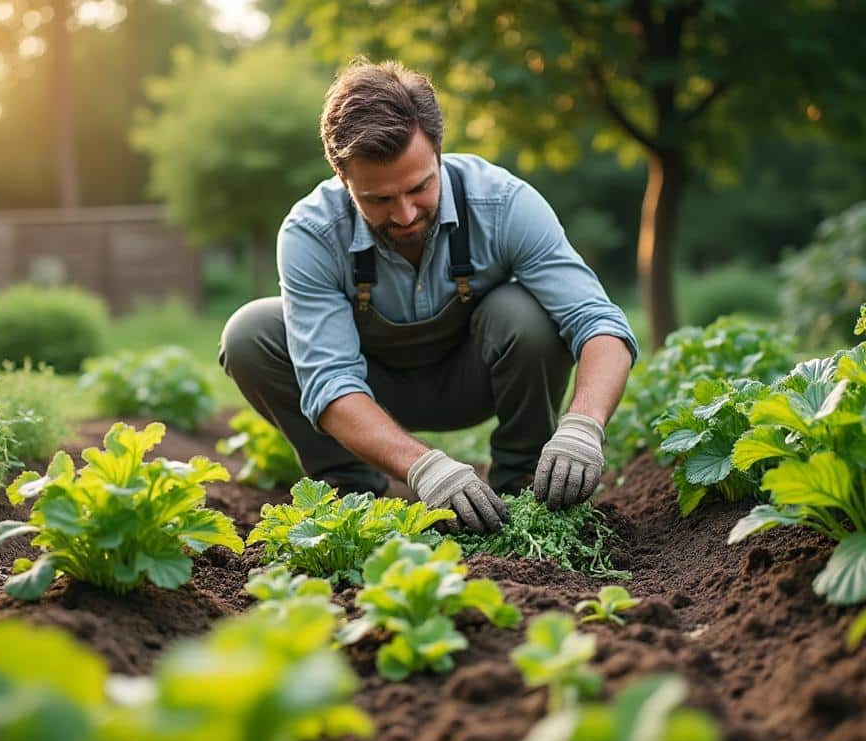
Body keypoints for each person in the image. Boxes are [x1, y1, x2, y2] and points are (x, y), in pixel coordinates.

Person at [219, 60, 637, 534]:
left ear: (438, 153)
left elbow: (599, 323)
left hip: (472, 377)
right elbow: (331, 382)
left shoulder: (502, 203)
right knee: (250, 333)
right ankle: (352, 494)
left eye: (420, 187)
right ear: (343, 179)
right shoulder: (311, 232)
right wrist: (426, 468)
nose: (404, 214)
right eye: (378, 199)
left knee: (528, 314)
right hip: (369, 392)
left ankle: (523, 484)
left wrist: (584, 425)